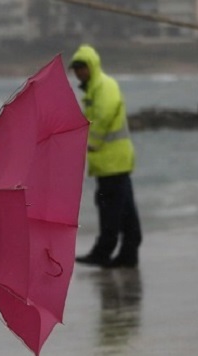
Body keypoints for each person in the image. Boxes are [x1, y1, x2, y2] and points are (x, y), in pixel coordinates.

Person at [69, 44, 142, 269]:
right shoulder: (93, 90)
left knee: (110, 209)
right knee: (125, 211)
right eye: (76, 69)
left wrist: (90, 143)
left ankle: (103, 251)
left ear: (92, 66)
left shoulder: (103, 87)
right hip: (112, 163)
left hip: (112, 162)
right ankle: (128, 254)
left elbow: (104, 115)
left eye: (82, 67)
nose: (79, 72)